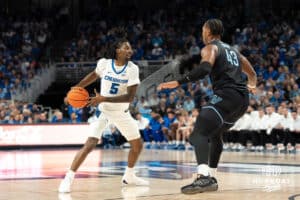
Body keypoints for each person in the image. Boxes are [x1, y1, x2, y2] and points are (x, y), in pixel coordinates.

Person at [158, 19, 257, 194]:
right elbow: (252, 72)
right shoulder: (233, 51)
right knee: (215, 133)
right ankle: (211, 176)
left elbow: (204, 69)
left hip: (227, 95)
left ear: (209, 31)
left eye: (203, 29)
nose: (202, 33)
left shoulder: (211, 47)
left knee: (198, 133)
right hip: (242, 100)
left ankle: (203, 177)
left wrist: (178, 82)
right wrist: (252, 84)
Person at [59, 28, 149, 193]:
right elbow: (93, 76)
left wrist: (104, 98)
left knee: (137, 145)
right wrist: (75, 88)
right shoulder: (104, 64)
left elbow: (129, 98)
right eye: (126, 48)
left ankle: (129, 176)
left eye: (130, 48)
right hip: (104, 111)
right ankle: (68, 178)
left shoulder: (132, 69)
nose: (130, 50)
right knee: (90, 144)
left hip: (121, 112)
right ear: (117, 50)